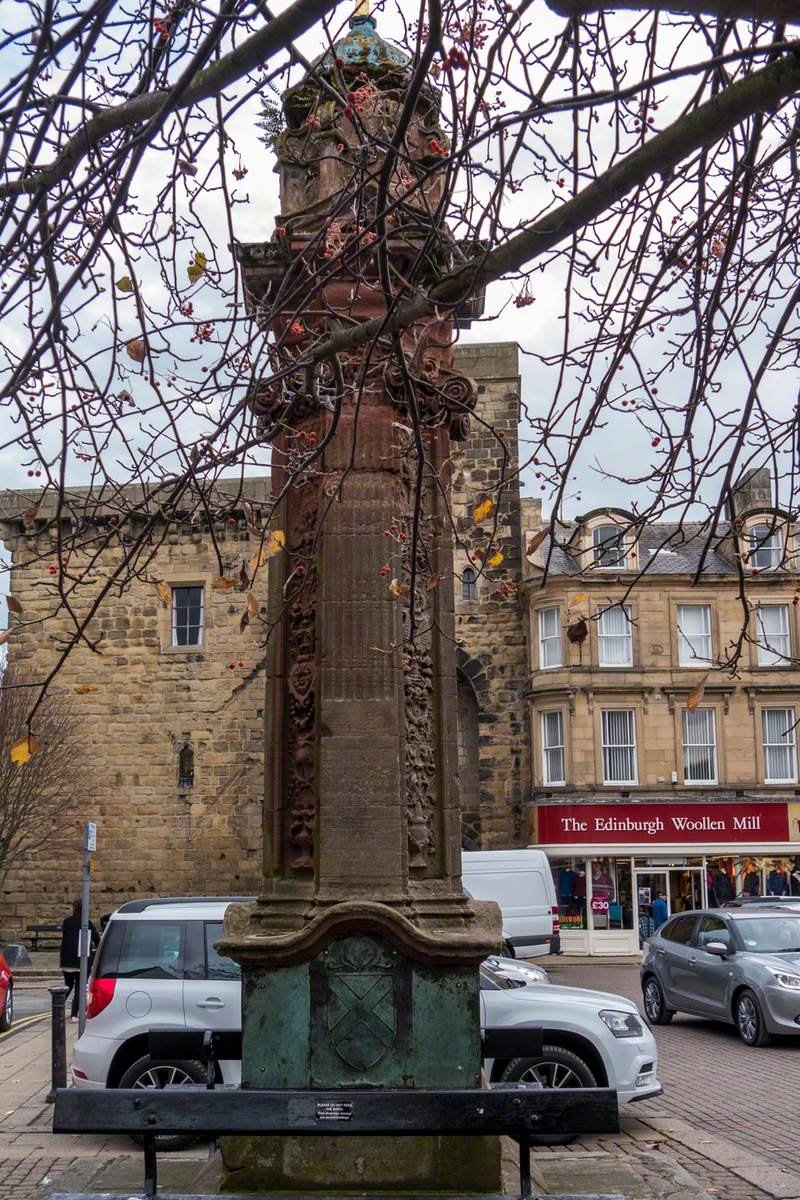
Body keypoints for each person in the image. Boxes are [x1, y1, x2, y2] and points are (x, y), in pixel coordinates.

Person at [59, 899, 99, 1023]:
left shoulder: (66, 921)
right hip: (80, 959)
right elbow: (96, 939)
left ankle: (57, 1009)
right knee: (80, 988)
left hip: (66, 959)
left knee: (68, 986)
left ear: (74, 908)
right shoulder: (86, 922)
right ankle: (74, 1015)